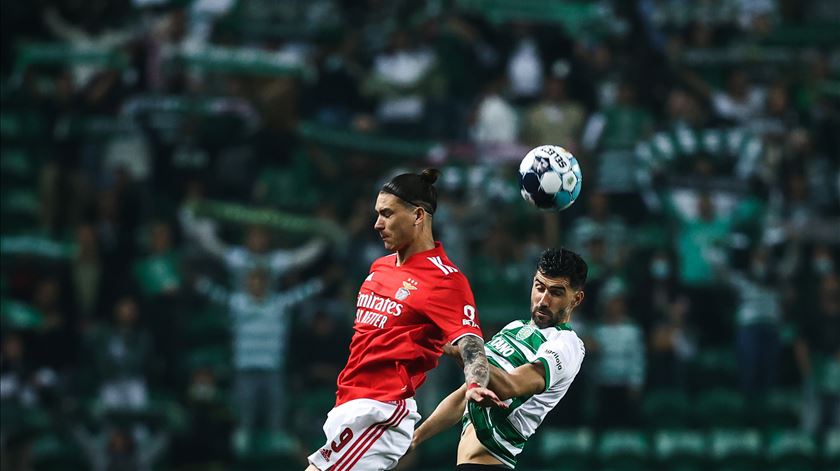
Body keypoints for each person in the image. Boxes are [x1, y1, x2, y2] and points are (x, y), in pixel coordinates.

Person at [305, 168, 500, 471]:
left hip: (380, 412)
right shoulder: (379, 267)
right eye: (377, 214)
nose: (377, 224)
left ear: (418, 216)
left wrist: (475, 382)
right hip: (348, 405)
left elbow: (471, 342)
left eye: (387, 214)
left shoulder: (445, 279)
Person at [412, 248, 588, 469]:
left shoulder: (566, 345)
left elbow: (509, 386)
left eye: (556, 292)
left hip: (491, 463)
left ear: (577, 298)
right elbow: (463, 396)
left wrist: (462, 349)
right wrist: (416, 438)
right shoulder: (514, 328)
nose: (543, 300)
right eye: (539, 287)